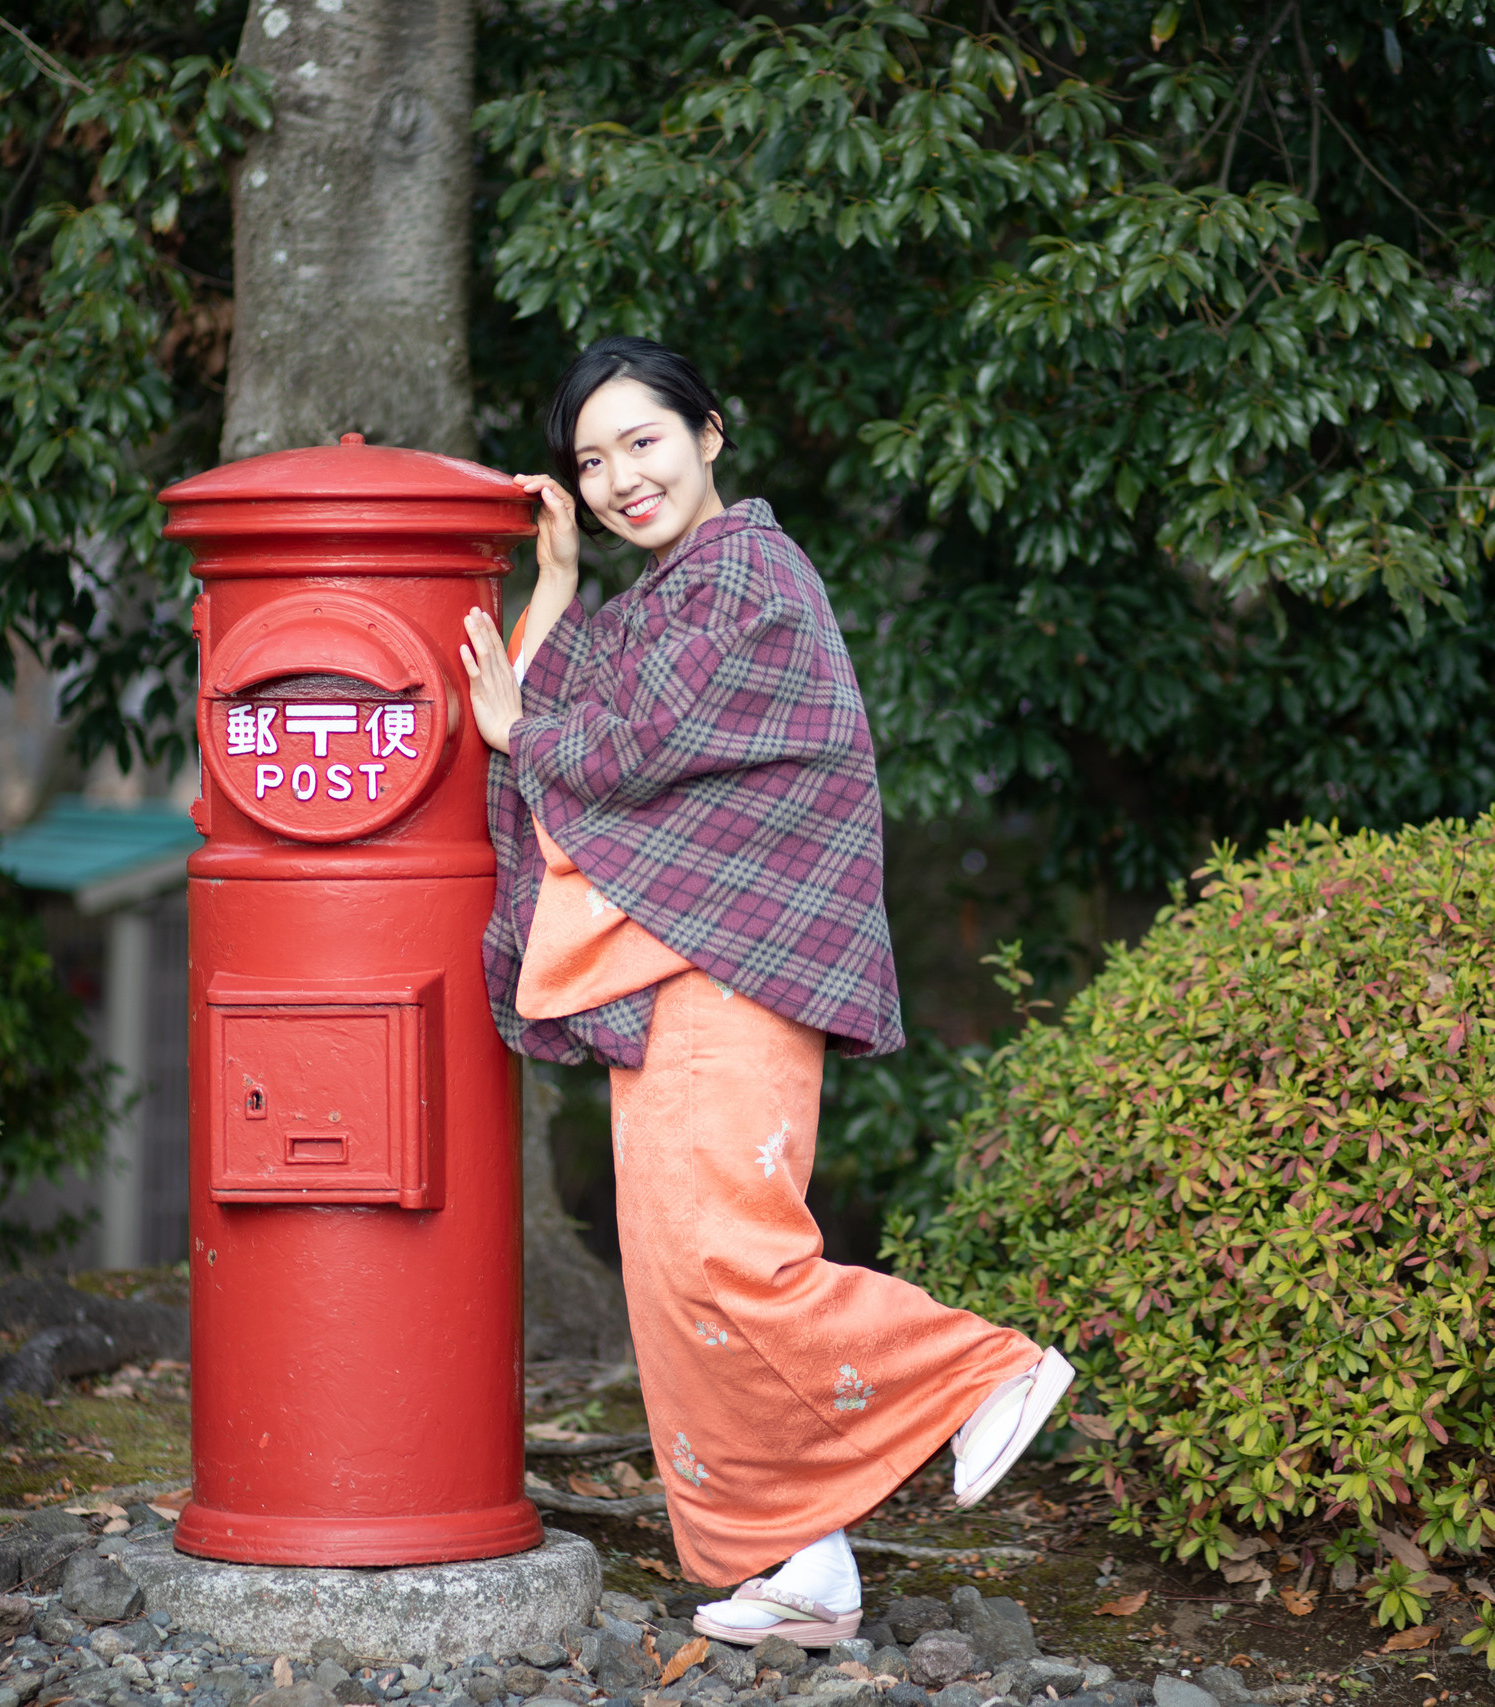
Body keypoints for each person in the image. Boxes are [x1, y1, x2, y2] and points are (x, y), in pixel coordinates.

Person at [457, 336, 1073, 1648]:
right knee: (680, 1284)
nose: (622, 477)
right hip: (675, 962)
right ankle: (800, 1562)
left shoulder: (748, 575)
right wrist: (557, 581)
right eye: (592, 460)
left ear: (710, 434)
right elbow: (538, 716)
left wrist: (527, 727)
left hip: (729, 965)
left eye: (644, 441)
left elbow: (598, 747)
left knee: (732, 1254)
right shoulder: (667, 597)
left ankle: (985, 1373)